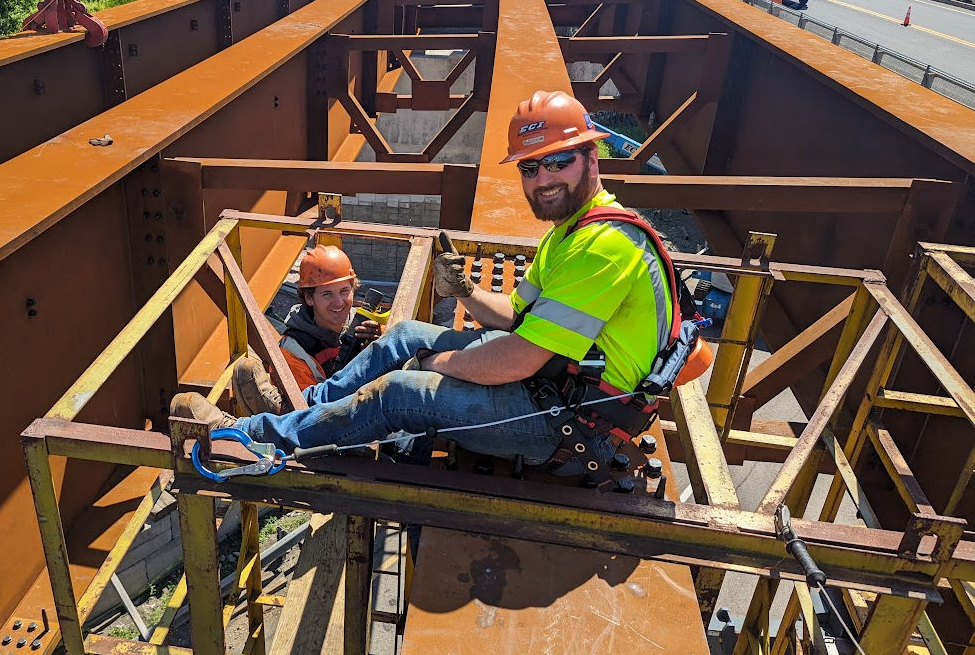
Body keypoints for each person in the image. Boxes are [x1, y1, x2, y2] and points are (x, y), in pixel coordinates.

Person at [173, 90, 690, 475]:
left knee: (398, 393)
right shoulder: (570, 233)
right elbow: (516, 317)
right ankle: (306, 409)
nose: (543, 178)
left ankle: (246, 438)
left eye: (558, 161)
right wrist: (465, 291)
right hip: (554, 383)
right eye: (530, 167)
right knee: (402, 336)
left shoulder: (603, 247)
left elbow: (517, 358)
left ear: (593, 158)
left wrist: (438, 364)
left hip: (566, 423)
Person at [230, 244, 382, 415]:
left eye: (344, 291)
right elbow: (310, 414)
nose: (339, 302)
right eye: (327, 294)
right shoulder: (293, 352)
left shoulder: (366, 327)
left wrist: (378, 345)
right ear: (309, 298)